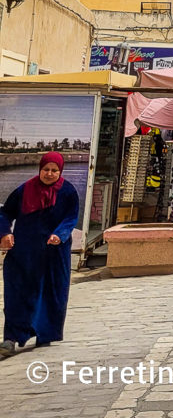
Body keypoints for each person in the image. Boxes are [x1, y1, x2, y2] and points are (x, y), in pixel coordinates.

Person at [0, 152, 80, 358]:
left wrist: (59, 235)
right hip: (24, 252)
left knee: (50, 294)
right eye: (46, 170)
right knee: (17, 293)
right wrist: (5, 232)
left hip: (54, 253)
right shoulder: (25, 189)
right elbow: (5, 213)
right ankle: (10, 338)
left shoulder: (68, 192)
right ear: (40, 169)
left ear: (60, 171)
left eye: (54, 171)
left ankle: (45, 333)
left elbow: (71, 218)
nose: (50, 174)